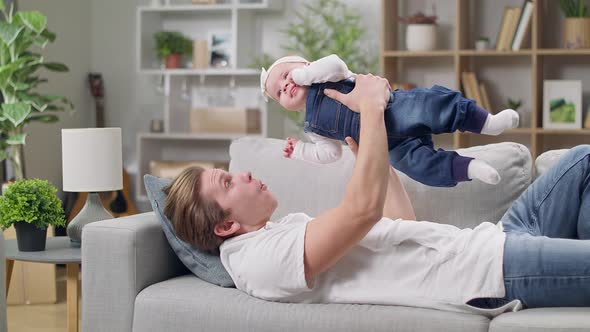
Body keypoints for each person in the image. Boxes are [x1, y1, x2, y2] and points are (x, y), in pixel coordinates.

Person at [164, 74, 590, 317]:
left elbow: (397, 224)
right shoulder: (258, 260)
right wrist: (369, 110)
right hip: (490, 272)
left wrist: (377, 160)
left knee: (581, 159)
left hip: (494, 238)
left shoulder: (276, 234)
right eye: (227, 182)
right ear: (226, 225)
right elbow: (361, 211)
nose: (243, 174)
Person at [260, 54, 520, 187]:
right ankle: (470, 168)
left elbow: (336, 64)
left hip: (395, 109)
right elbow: (331, 153)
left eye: (286, 75)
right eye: (279, 92)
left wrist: (304, 74)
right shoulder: (312, 127)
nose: (285, 85)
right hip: (389, 146)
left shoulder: (322, 74)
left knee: (432, 106)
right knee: (420, 168)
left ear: (305, 65)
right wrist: (301, 151)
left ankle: (488, 123)